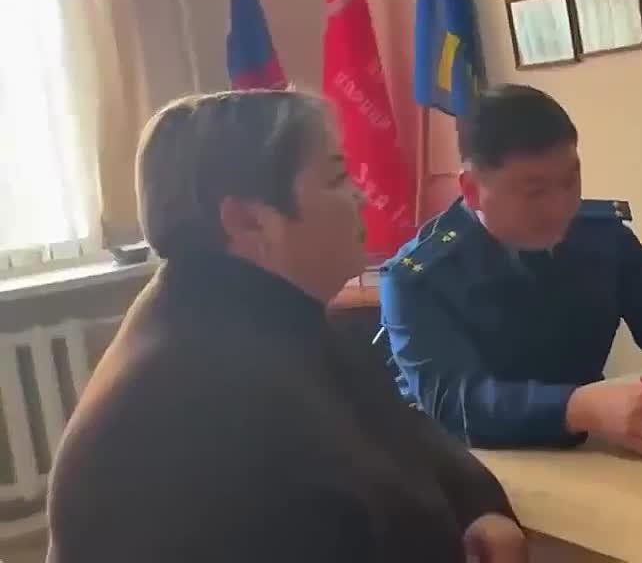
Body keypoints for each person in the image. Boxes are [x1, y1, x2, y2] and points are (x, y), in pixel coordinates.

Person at [46, 91, 525, 563]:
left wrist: (480, 509)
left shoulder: (246, 311)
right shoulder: (206, 382)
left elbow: (402, 430)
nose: (360, 195)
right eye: (336, 179)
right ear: (247, 221)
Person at [380, 84, 642, 457]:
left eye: (571, 180)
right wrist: (580, 408)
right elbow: (457, 402)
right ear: (472, 189)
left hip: (588, 456)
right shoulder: (417, 278)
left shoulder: (599, 235)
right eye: (534, 191)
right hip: (469, 476)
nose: (561, 206)